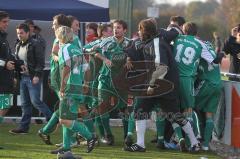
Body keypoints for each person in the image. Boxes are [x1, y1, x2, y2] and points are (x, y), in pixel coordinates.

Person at [124, 19, 200, 152]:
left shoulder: (157, 43)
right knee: (139, 111)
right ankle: (140, 144)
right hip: (159, 84)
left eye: (140, 29)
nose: (139, 32)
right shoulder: (153, 40)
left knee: (174, 116)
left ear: (146, 32)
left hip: (164, 86)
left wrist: (151, 85)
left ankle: (194, 143)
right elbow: (175, 30)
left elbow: (162, 68)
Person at [55, 26, 96, 158]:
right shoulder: (77, 49)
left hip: (69, 87)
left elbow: (66, 67)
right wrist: (86, 83)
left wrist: (62, 87)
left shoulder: (65, 48)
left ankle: (90, 136)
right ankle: (66, 149)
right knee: (69, 118)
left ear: (60, 36)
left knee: (63, 120)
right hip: (77, 86)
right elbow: (87, 68)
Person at [9, 23, 52, 134]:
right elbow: (17, 60)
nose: (19, 35)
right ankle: (23, 127)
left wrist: (37, 75)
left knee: (35, 101)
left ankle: (52, 119)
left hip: (33, 77)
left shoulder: (35, 44)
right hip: (22, 77)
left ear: (28, 33)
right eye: (18, 33)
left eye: (21, 33)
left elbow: (40, 62)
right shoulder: (18, 44)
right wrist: (15, 73)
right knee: (25, 103)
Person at [195, 41, 222, 151]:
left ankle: (194, 140)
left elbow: (197, 72)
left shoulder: (201, 53)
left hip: (206, 84)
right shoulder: (212, 52)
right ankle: (206, 145)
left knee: (191, 107)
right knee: (209, 115)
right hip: (218, 85)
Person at [0, 11, 15, 149]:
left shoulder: (4, 37)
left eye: (7, 21)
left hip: (6, 78)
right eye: (4, 21)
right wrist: (4, 64)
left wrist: (19, 63)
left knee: (6, 104)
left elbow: (8, 55)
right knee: (5, 105)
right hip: (2, 78)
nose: (7, 24)